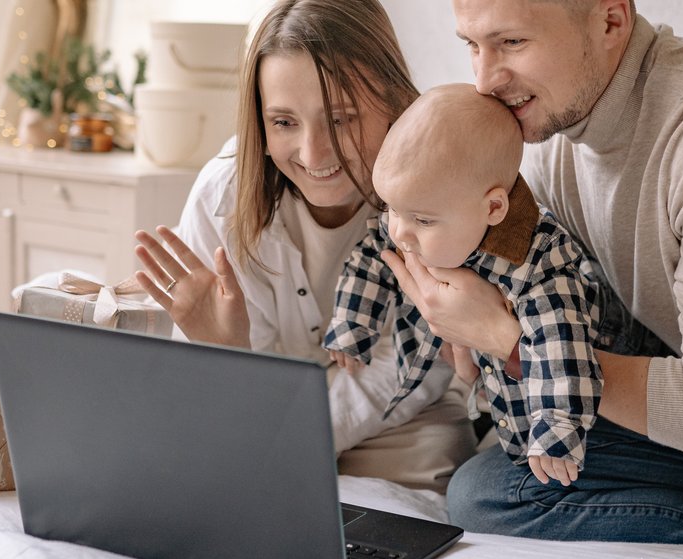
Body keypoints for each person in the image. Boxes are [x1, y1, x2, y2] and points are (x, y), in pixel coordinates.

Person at [386, 0, 683, 543]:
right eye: (472, 46)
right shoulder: (551, 136)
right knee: (486, 492)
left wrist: (507, 342)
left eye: (512, 43)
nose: (485, 80)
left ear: (611, 20)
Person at [132, 0, 477, 493]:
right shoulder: (223, 195)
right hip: (259, 413)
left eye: (341, 119)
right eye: (284, 122)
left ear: (395, 101)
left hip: (398, 422)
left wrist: (290, 441)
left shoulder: (440, 195)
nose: (314, 153)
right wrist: (227, 353)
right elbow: (231, 388)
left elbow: (404, 371)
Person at [325, 83, 602, 487]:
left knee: (478, 495)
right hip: (499, 403)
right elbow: (371, 259)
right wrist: (353, 323)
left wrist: (556, 432)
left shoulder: (539, 267)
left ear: (492, 208)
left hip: (584, 417)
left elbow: (563, 355)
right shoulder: (419, 219)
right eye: (390, 208)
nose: (400, 232)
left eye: (421, 219)